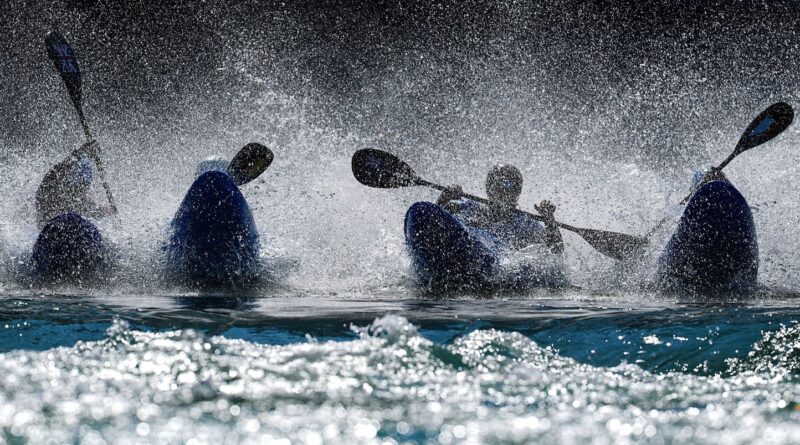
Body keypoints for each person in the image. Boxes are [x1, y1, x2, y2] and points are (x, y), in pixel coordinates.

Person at [436, 164, 564, 254]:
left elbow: (556, 250)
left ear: (517, 193)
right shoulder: (470, 207)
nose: (503, 194)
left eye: (510, 190)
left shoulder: (524, 224)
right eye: (498, 188)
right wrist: (444, 198)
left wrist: (549, 220)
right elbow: (436, 219)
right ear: (489, 189)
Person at [35, 140, 116, 228]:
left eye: (83, 189)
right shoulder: (47, 194)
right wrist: (79, 153)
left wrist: (111, 210)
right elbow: (56, 172)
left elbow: (98, 212)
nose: (80, 193)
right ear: (66, 183)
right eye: (76, 188)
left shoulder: (79, 202)